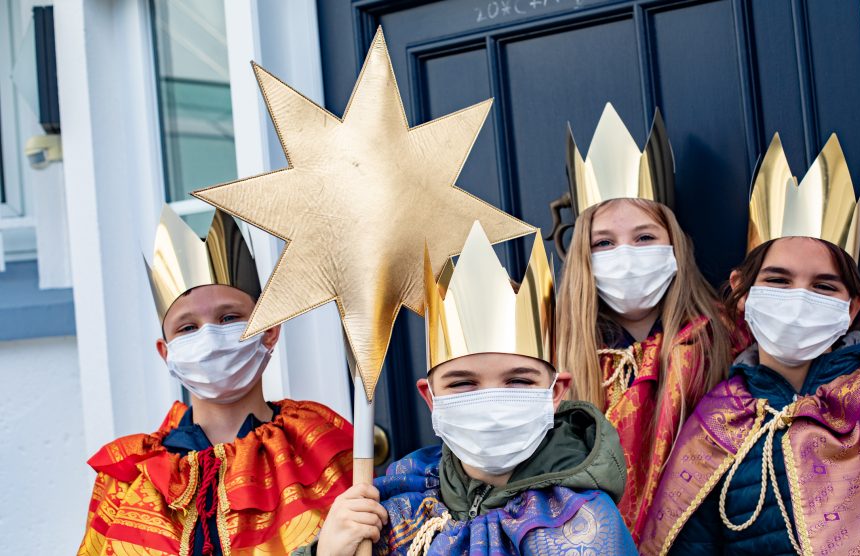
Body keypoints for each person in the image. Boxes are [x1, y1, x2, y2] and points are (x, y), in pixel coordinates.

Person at [639, 134, 860, 555]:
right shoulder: (718, 419)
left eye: (823, 286)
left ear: (853, 305)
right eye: (778, 280)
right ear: (742, 290)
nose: (798, 298)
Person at [297, 222, 635, 555]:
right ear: (430, 397)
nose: (490, 402)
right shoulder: (394, 508)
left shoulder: (584, 520)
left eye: (518, 381)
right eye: (463, 383)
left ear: (555, 392)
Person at [78, 207, 354, 555]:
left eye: (229, 317)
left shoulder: (320, 445)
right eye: (188, 327)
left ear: (269, 331)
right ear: (167, 352)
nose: (209, 336)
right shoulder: (131, 474)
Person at [554, 103, 738, 540]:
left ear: (674, 243)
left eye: (644, 237)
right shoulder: (555, 357)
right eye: (604, 242)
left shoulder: (723, 340)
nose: (626, 255)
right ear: (582, 257)